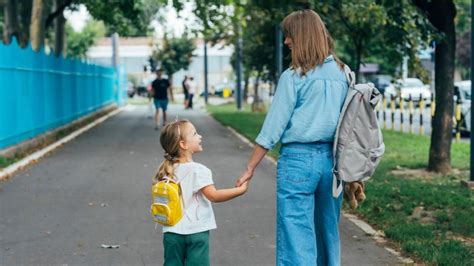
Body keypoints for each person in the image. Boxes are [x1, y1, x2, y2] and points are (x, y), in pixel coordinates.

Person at [236, 10, 349, 266]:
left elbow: (272, 129)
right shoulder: (343, 74)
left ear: (303, 36)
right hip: (333, 164)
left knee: (296, 232)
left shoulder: (294, 77)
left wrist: (250, 168)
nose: (286, 41)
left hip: (298, 161)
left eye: (290, 35)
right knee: (328, 230)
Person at [155, 119, 249, 266]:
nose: (200, 136)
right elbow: (214, 196)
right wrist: (240, 190)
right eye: (195, 133)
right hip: (196, 232)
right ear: (183, 144)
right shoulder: (199, 170)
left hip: (171, 232)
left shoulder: (166, 170)